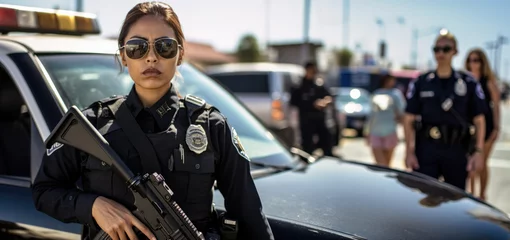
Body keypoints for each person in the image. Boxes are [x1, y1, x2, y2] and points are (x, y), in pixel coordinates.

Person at [31, 2, 274, 240]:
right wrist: (93, 205)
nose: (151, 57)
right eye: (137, 47)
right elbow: (44, 192)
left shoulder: (211, 126)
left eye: (164, 46)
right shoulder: (92, 124)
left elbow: (249, 213)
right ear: (124, 57)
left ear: (179, 56)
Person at [403, 30, 486, 191]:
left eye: (446, 49)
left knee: (455, 203)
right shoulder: (421, 82)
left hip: (456, 150)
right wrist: (409, 152)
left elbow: (479, 120)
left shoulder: (468, 82)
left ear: (455, 52)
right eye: (437, 49)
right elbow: (408, 119)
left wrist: (479, 151)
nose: (441, 53)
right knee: (423, 199)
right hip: (426, 149)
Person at [464, 48, 501, 200]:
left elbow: (497, 105)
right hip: (469, 127)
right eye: (471, 60)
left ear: (482, 62)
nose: (473, 63)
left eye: (477, 60)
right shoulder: (465, 81)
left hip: (487, 126)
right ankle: (471, 194)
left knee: (482, 163)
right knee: (469, 164)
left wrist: (497, 128)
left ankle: (482, 195)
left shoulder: (488, 82)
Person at [290, 61, 334, 157]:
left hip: (320, 119)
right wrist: (312, 104)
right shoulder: (299, 86)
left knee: (327, 140)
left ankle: (328, 157)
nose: (314, 72)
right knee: (307, 145)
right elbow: (294, 102)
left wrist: (325, 102)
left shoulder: (318, 84)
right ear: (307, 70)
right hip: (306, 120)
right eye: (312, 70)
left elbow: (329, 96)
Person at [364, 74, 406, 167]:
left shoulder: (396, 94)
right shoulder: (376, 93)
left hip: (390, 131)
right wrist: (367, 132)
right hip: (375, 131)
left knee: (387, 164)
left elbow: (402, 112)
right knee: (380, 164)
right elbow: (371, 115)